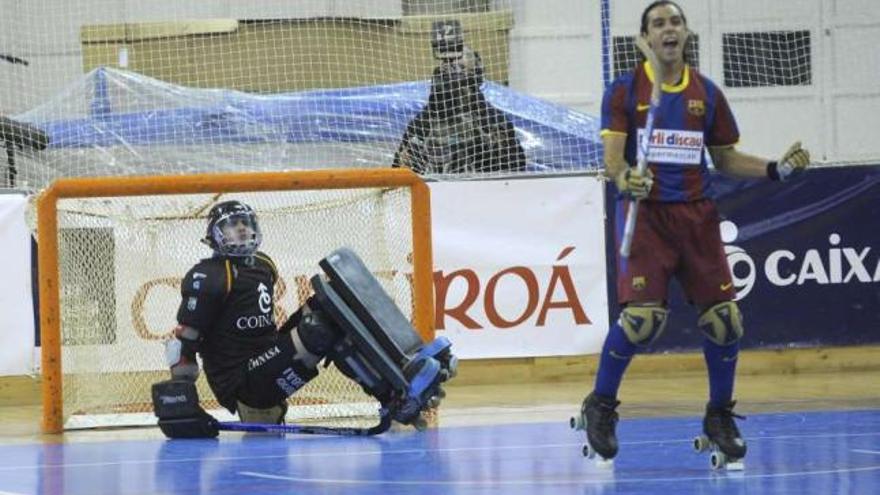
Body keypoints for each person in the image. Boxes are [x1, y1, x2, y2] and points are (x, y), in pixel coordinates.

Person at [578, 1, 810, 464]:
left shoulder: (707, 93)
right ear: (645, 36)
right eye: (659, 23)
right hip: (646, 218)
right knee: (643, 321)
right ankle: (600, 405)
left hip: (697, 217)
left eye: (675, 22)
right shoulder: (624, 92)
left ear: (685, 33)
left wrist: (774, 169)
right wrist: (628, 180)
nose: (669, 29)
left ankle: (719, 415)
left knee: (725, 321)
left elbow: (725, 158)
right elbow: (613, 164)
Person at [155, 200, 455, 435]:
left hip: (266, 357)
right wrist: (182, 401)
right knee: (318, 330)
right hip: (243, 382)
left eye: (246, 223)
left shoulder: (263, 263)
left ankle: (405, 365)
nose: (242, 230)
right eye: (233, 226)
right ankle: (397, 398)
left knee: (332, 300)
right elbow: (186, 339)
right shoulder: (207, 276)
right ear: (215, 235)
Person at [392, 46, 526, 175]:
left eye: (461, 69)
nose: (454, 79)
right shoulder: (423, 123)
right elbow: (400, 171)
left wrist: (498, 146)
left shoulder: (492, 121)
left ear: (473, 79)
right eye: (448, 71)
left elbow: (516, 169)